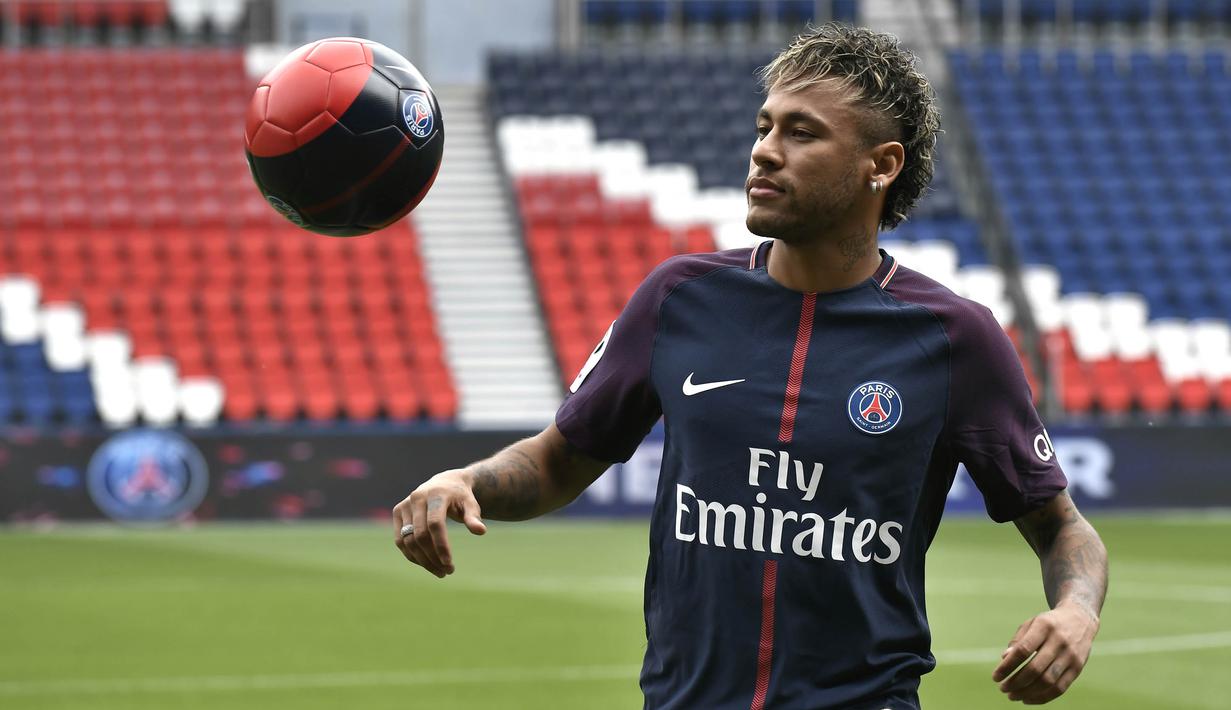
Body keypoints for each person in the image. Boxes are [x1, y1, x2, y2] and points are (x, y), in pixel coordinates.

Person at [392, 23, 1108, 710]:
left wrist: (1075, 612)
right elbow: (555, 463)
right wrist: (465, 479)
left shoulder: (954, 339)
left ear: (880, 166)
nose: (765, 151)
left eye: (801, 133)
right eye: (764, 126)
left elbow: (1062, 529)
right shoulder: (678, 298)